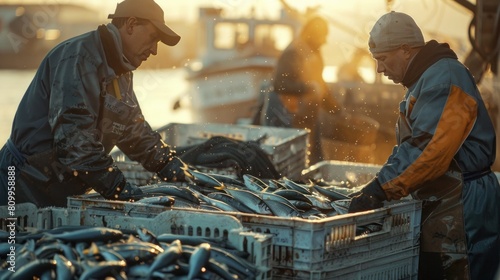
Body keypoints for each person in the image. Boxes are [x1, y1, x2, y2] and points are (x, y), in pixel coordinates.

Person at [348, 11, 500, 280]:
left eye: (382, 59)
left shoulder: (443, 79)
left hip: (463, 206)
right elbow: (412, 144)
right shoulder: (425, 79)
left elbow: (427, 149)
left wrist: (380, 188)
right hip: (446, 201)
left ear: (406, 50)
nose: (379, 69)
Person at [0, 0, 190, 208]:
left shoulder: (120, 68)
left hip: (59, 189)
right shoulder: (77, 58)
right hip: (21, 184)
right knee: (12, 238)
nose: (154, 50)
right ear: (131, 24)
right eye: (153, 38)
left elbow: (132, 128)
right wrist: (120, 189)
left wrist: (169, 164)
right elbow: (75, 144)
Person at [260, 16, 340, 164]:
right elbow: (279, 84)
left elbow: (320, 83)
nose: (325, 41)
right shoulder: (293, 52)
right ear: (313, 34)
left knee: (310, 159)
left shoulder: (314, 52)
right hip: (284, 118)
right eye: (323, 36)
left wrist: (335, 108)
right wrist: (308, 88)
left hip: (305, 118)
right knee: (284, 161)